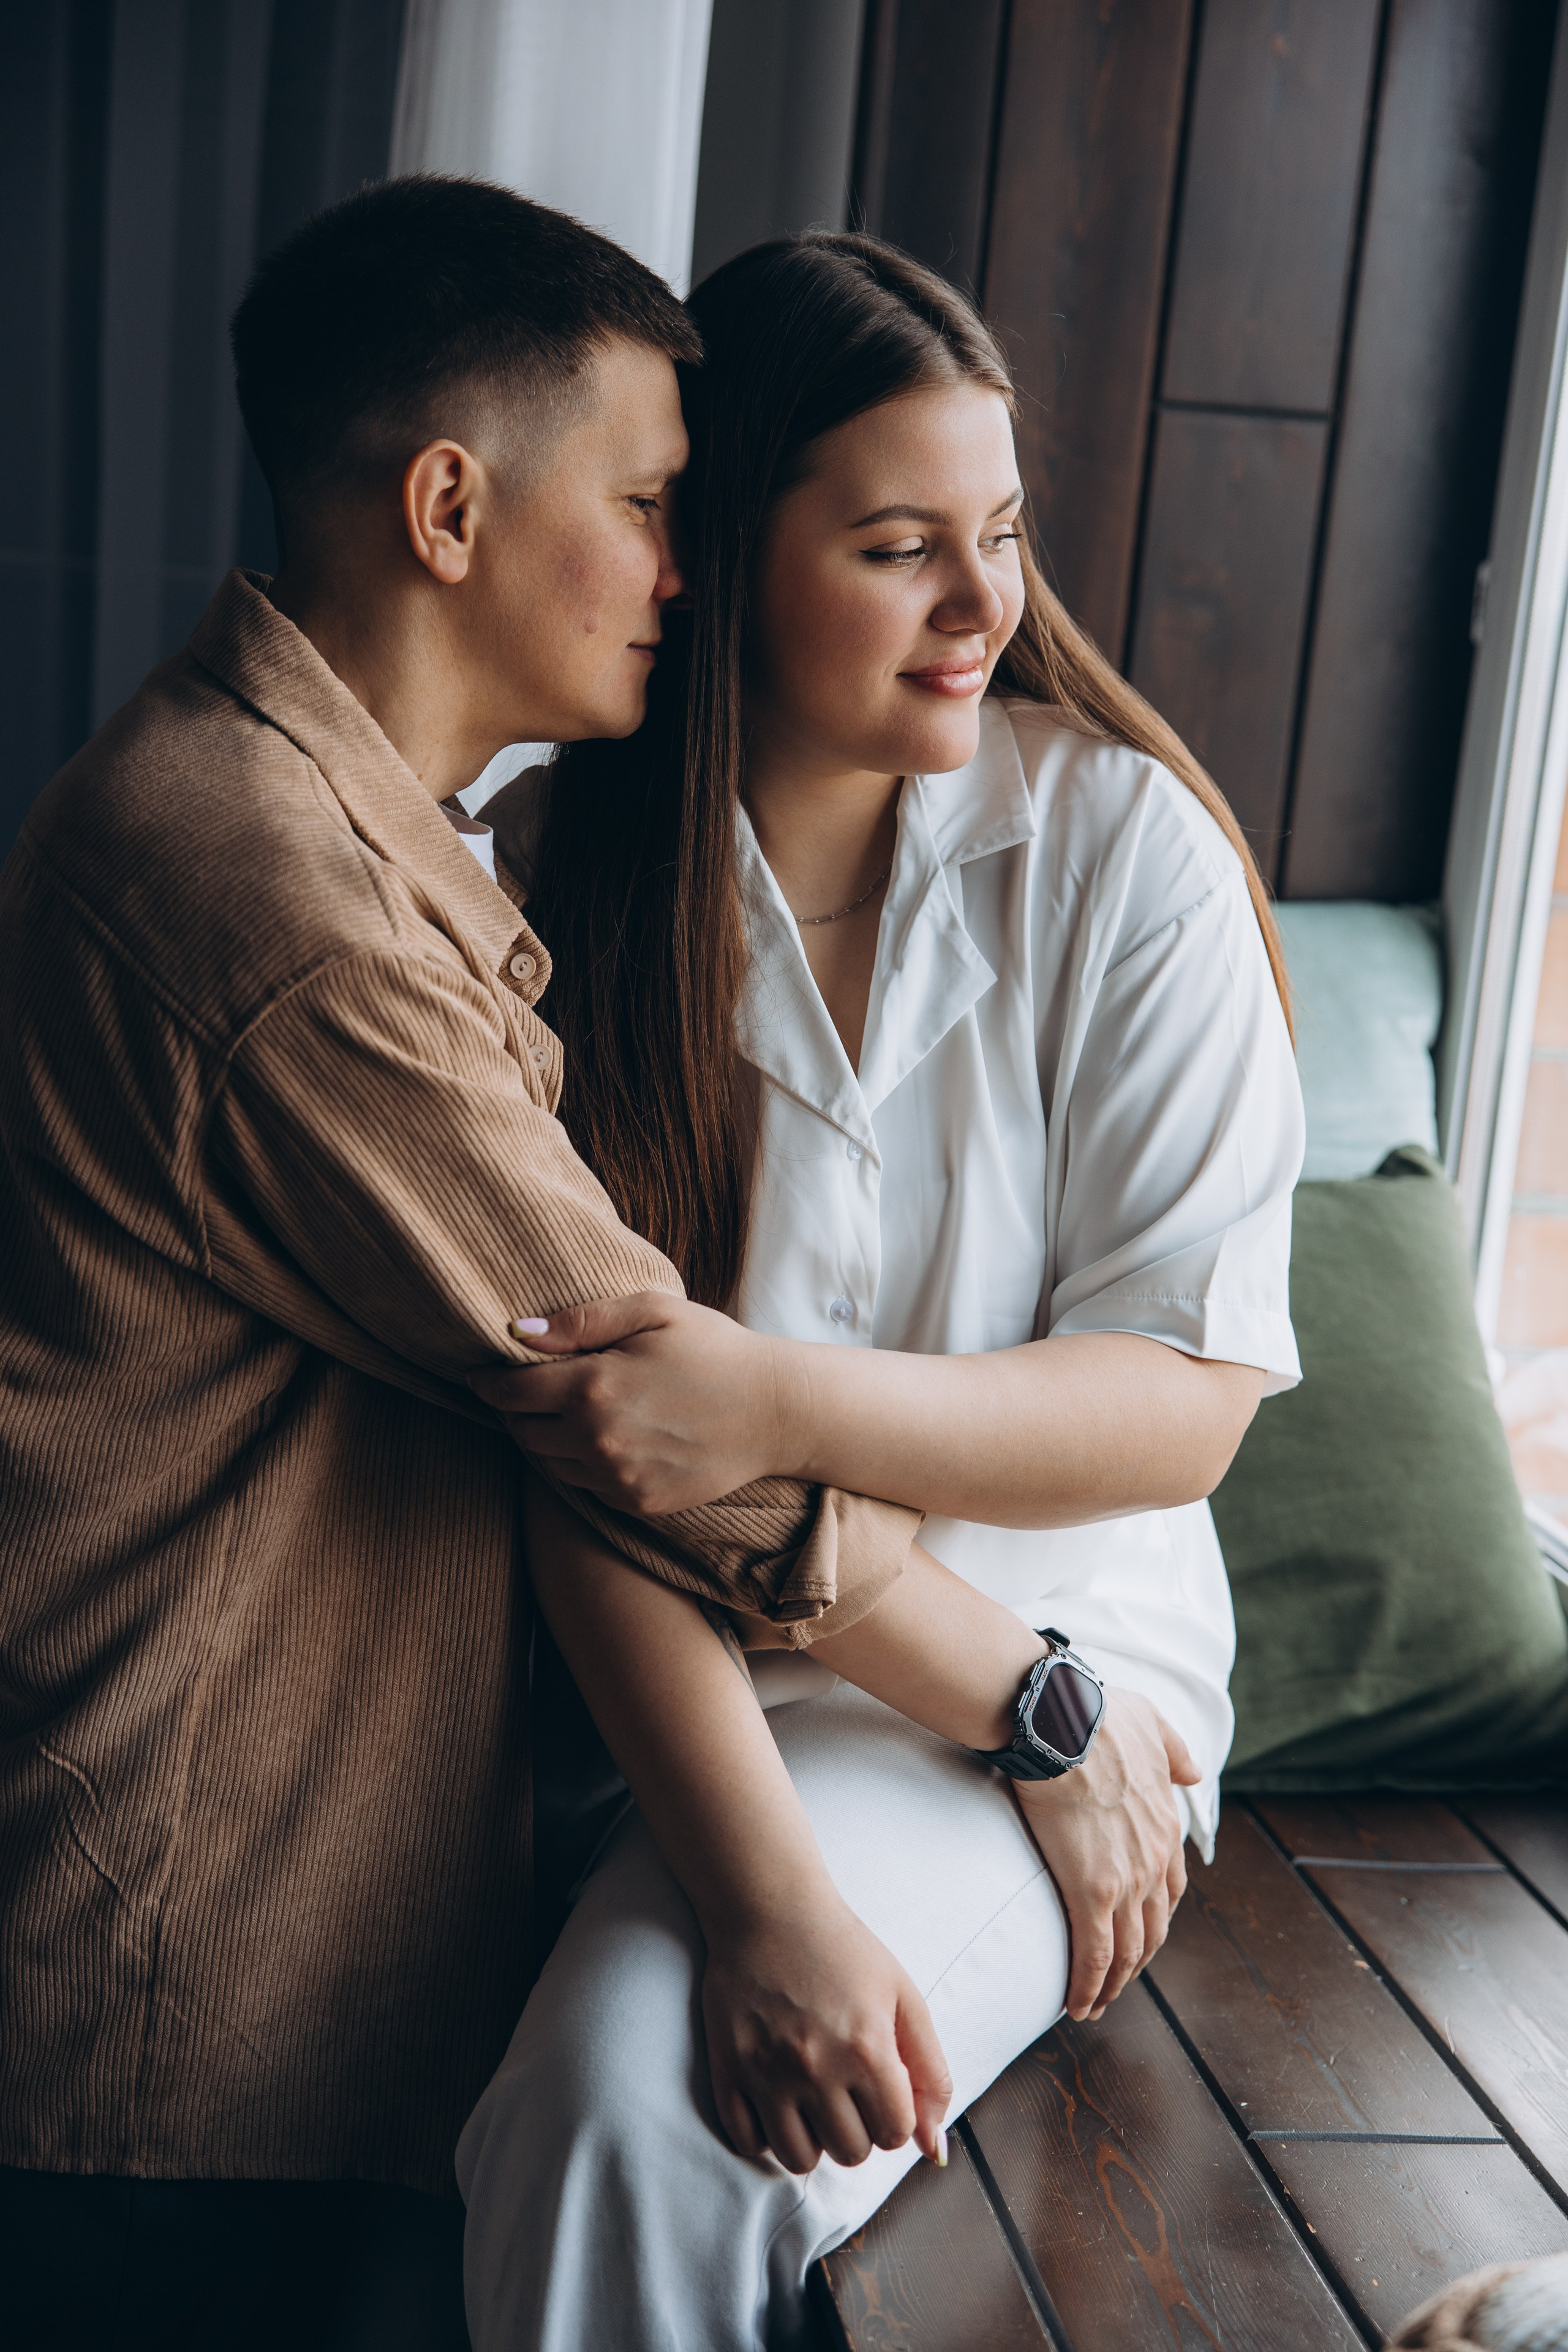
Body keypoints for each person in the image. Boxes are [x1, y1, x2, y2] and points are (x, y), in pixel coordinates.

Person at [0, 181, 928, 2351]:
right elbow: (650, 1420)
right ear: (447, 509)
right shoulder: (280, 901)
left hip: (238, 2014)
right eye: (647, 504)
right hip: (178, 2046)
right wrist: (1053, 1718)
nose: (684, 573)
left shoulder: (303, 827)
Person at [456, 233, 1305, 2351]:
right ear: (719, 559)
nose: (982, 604)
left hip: (1068, 1666)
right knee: (595, 2110)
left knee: (630, 2126)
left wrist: (767, 1405)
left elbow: (1178, 1400)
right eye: (900, 547)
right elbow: (583, 1461)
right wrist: (762, 1900)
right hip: (672, 1682)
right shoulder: (532, 885)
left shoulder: (1126, 856)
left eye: (1000, 534)